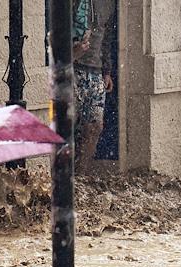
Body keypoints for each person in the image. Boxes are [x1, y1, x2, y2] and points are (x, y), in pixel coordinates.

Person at [74, 0, 116, 171]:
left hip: (96, 72)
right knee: (69, 124)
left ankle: (81, 172)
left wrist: (106, 70)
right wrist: (71, 53)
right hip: (72, 69)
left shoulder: (109, 4)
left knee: (95, 126)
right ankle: (64, 174)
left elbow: (106, 38)